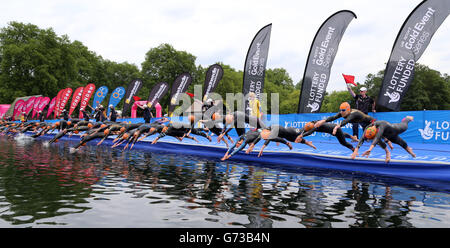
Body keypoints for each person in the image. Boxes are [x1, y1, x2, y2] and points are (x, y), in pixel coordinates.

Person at [351, 116, 416, 163]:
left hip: (396, 129)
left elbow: (377, 138)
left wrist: (369, 149)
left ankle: (407, 118)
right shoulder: (367, 128)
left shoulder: (381, 125)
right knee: (400, 143)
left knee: (405, 125)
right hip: (389, 136)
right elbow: (362, 138)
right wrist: (356, 150)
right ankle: (387, 152)